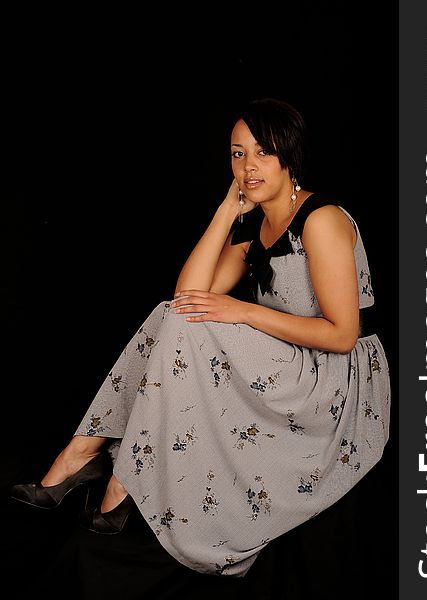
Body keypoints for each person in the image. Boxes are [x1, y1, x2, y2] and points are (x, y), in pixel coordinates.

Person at [11, 97, 391, 587]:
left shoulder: (321, 219)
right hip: (287, 359)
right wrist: (225, 212)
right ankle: (90, 459)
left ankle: (100, 470)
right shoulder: (255, 227)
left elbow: (343, 335)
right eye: (237, 154)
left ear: (289, 155)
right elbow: (187, 297)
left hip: (335, 381)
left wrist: (240, 310)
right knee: (175, 315)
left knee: (194, 320)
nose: (248, 166)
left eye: (262, 152)